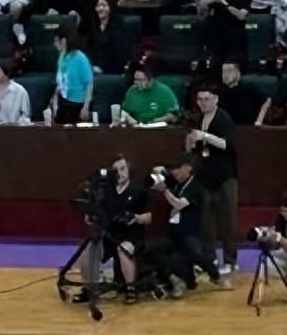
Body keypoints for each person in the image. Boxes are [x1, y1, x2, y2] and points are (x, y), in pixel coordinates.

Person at [155, 154, 231, 296]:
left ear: (188, 168)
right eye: (172, 169)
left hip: (189, 230)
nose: (174, 172)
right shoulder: (176, 182)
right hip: (173, 229)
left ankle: (216, 277)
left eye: (177, 168)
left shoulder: (196, 186)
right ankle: (181, 280)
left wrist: (164, 191)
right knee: (157, 250)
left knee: (196, 254)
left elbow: (179, 204)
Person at [81, 155, 151, 302]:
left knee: (123, 248)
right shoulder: (107, 192)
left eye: (122, 169)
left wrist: (135, 218)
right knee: (88, 250)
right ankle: (89, 288)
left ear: (129, 170)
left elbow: (149, 216)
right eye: (116, 170)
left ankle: (131, 289)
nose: (120, 173)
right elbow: (97, 212)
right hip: (109, 235)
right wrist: (90, 214)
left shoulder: (138, 190)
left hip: (131, 235)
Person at [189, 85, 239, 276]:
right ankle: (209, 259)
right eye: (200, 99)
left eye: (207, 99)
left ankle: (230, 260)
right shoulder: (199, 119)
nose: (203, 103)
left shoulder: (223, 118)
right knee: (206, 221)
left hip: (225, 176)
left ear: (216, 99)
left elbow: (227, 144)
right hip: (206, 176)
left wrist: (205, 136)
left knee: (228, 220)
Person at [52, 29, 94, 123]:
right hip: (63, 101)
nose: (54, 44)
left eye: (56, 41)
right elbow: (60, 82)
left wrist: (86, 107)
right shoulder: (62, 56)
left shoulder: (80, 58)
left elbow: (89, 84)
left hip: (77, 104)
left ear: (64, 41)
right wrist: (55, 102)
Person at [201, 0, 251, 68]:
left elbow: (241, 16)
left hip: (235, 34)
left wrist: (227, 6)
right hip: (217, 35)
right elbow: (202, 8)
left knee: (234, 63)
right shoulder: (214, 0)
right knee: (216, 62)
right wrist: (211, 0)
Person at [216, 60, 265, 125]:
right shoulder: (218, 94)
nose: (226, 74)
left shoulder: (249, 94)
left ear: (238, 73)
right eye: (224, 71)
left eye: (230, 71)